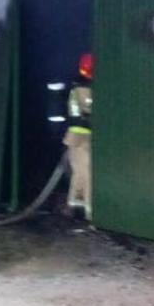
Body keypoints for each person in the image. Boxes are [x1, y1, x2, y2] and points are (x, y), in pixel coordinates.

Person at [63, 53, 92, 219]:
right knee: (86, 173)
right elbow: (88, 109)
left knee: (80, 173)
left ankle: (73, 206)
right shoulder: (82, 87)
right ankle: (89, 212)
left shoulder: (78, 86)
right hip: (79, 136)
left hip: (78, 136)